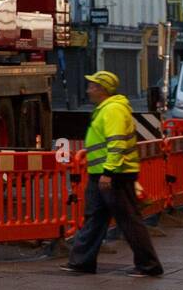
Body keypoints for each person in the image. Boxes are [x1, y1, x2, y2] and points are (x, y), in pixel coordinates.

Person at [63, 70, 163, 277]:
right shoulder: (105, 109)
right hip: (102, 173)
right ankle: (81, 262)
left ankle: (149, 265)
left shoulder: (113, 110)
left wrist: (108, 172)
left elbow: (116, 143)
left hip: (115, 175)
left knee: (128, 220)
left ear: (102, 89)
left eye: (92, 85)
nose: (89, 89)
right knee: (95, 218)